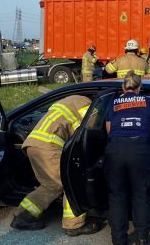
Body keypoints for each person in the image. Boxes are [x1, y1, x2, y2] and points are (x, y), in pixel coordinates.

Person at [10, 95, 105, 236]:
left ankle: (23, 217)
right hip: (48, 146)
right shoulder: (86, 103)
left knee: (51, 185)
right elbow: (91, 127)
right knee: (71, 183)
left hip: (33, 145)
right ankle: (73, 225)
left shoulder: (69, 100)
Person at [104, 71, 150, 245]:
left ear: (123, 88)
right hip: (140, 150)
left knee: (117, 196)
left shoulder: (113, 103)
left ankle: (119, 242)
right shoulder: (147, 101)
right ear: (139, 88)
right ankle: (142, 239)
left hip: (116, 150)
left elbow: (109, 130)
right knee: (141, 195)